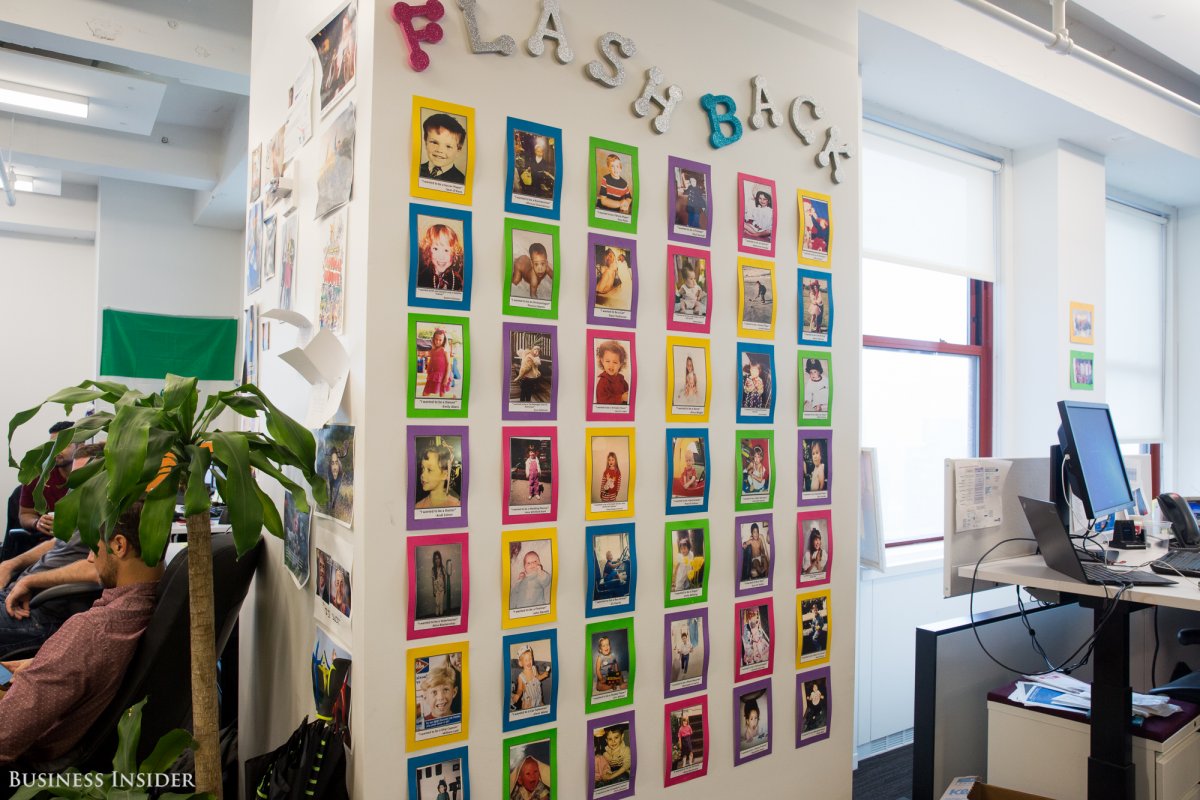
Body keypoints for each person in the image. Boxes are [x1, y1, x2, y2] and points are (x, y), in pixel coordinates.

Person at [0, 501, 161, 764]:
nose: (89, 558)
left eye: (93, 547)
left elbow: (5, 734)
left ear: (119, 545)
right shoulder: (149, 605)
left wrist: (47, 668)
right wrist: (42, 666)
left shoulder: (92, 632)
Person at [416, 223, 465, 294]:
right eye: (435, 249)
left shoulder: (458, 281)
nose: (441, 256)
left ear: (454, 253)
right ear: (428, 250)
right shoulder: (421, 279)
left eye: (446, 250)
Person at [419, 113, 467, 184]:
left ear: (458, 151)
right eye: (434, 142)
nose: (440, 150)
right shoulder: (417, 170)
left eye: (448, 146)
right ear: (426, 143)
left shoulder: (461, 181)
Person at [415, 443, 460, 509]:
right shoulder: (418, 507)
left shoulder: (456, 505)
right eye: (422, 468)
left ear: (445, 475)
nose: (422, 475)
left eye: (429, 470)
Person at [510, 646, 549, 710]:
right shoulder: (521, 677)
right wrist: (517, 695)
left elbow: (538, 677)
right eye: (526, 660)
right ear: (520, 663)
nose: (529, 661)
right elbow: (520, 689)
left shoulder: (534, 668)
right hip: (528, 704)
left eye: (530, 658)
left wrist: (543, 675)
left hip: (539, 700)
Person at [594, 341, 629, 407]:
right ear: (602, 361)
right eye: (607, 361)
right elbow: (602, 401)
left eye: (615, 362)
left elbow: (627, 392)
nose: (611, 365)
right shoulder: (603, 382)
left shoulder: (621, 379)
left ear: (620, 364)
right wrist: (621, 398)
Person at [421, 329, 452, 397]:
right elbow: (431, 361)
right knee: (426, 392)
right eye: (436, 339)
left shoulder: (445, 350)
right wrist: (428, 370)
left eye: (440, 340)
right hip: (434, 375)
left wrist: (446, 377)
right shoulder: (433, 350)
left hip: (443, 375)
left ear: (443, 340)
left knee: (442, 392)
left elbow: (448, 364)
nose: (437, 341)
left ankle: (444, 402)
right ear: (433, 339)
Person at [431, 550, 447, 616]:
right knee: (437, 603)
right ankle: (437, 615)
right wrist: (433, 590)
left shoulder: (443, 568)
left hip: (442, 589)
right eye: (436, 559)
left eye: (438, 558)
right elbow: (432, 580)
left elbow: (444, 579)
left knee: (441, 603)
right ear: (434, 560)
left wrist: (445, 587)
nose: (437, 560)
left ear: (440, 559)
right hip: (436, 590)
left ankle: (441, 614)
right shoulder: (433, 569)